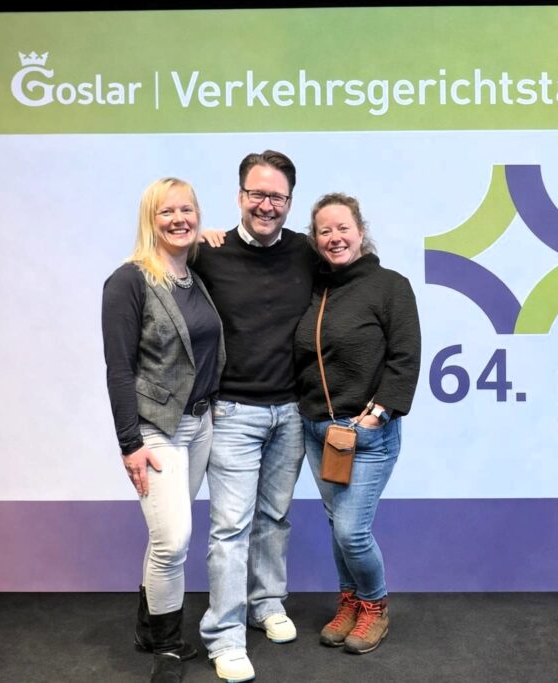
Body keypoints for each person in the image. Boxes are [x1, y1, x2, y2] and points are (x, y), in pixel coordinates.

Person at [194, 150, 316, 682]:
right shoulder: (210, 253)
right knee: (230, 529)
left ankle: (266, 603)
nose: (267, 205)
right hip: (233, 412)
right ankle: (224, 635)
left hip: (291, 412)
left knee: (274, 518)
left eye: (277, 197)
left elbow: (354, 266)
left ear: (290, 201)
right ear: (240, 195)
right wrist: (198, 239)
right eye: (257, 194)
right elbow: (159, 271)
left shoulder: (306, 252)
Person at [102, 178, 224, 683]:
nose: (179, 219)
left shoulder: (195, 274)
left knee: (163, 536)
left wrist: (208, 237)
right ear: (148, 219)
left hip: (200, 425)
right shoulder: (128, 281)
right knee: (173, 541)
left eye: (187, 210)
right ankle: (168, 648)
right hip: (155, 431)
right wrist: (130, 443)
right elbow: (119, 369)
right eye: (166, 212)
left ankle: (146, 628)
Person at [294, 193, 421, 655]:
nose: (334, 237)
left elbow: (405, 357)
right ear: (315, 239)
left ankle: (374, 606)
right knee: (336, 524)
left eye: (342, 228)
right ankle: (349, 601)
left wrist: (379, 412)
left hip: (366, 434)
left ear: (361, 231)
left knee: (352, 530)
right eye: (324, 230)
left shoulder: (390, 286)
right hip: (318, 432)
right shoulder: (315, 287)